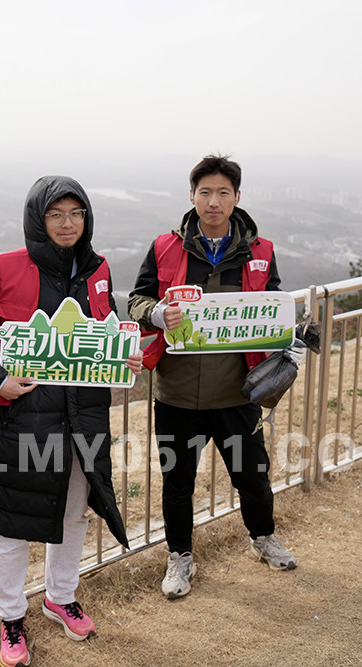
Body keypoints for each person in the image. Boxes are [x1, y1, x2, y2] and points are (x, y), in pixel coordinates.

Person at [0, 175, 142, 667]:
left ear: (87, 218)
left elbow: (103, 332)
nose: (67, 223)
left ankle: (61, 596)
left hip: (83, 419)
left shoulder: (97, 268)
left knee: (74, 513)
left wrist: (124, 356)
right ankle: (11, 617)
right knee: (10, 525)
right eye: (55, 214)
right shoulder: (5, 267)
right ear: (38, 219)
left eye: (76, 213)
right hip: (19, 421)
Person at [127, 154, 297, 600]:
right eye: (205, 192)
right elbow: (136, 301)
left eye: (223, 192)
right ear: (192, 196)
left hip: (237, 391)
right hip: (177, 392)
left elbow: (271, 307)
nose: (214, 201)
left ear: (237, 197)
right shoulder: (165, 247)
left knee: (252, 475)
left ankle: (263, 537)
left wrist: (292, 330)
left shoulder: (260, 251)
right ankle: (180, 556)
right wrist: (158, 314)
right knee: (177, 482)